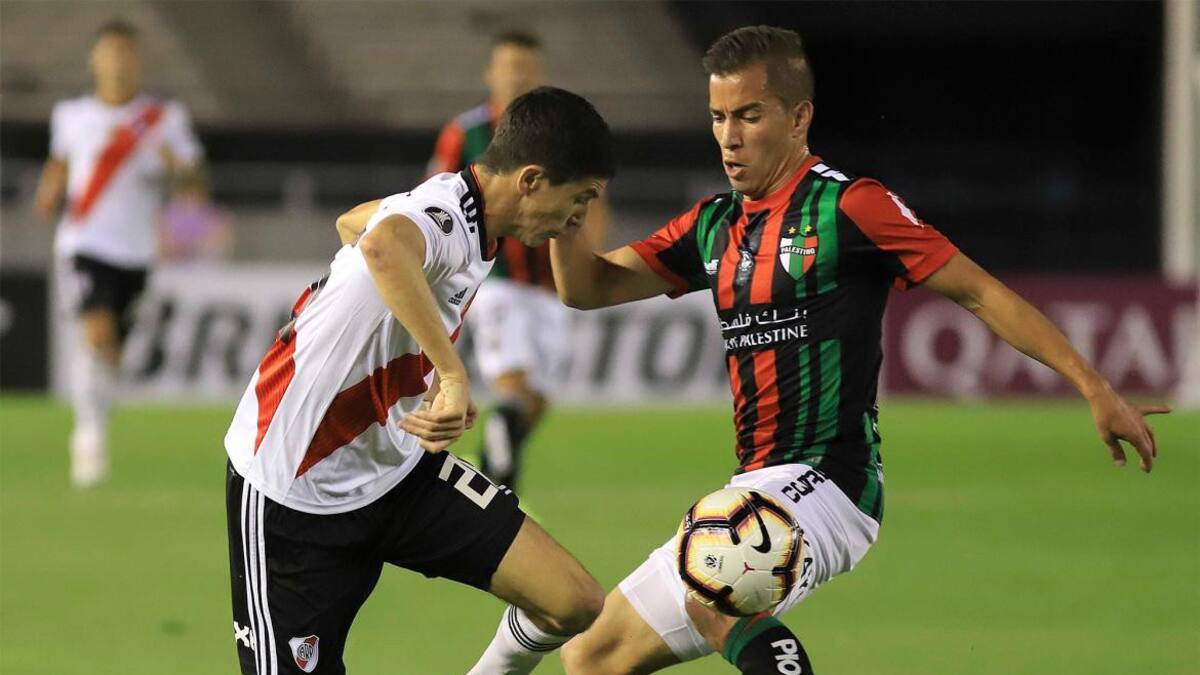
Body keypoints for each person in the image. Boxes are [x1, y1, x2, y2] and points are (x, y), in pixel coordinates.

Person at [531, 26, 1165, 675]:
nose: (729, 136)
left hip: (833, 482)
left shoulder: (852, 207)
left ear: (798, 117)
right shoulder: (715, 224)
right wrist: (563, 199)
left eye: (748, 115)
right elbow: (585, 287)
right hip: (756, 482)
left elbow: (979, 292)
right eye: (719, 117)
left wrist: (1094, 386)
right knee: (591, 655)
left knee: (714, 581)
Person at [225, 87, 612, 675]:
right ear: (531, 180)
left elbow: (352, 223)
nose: (579, 217)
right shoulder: (449, 215)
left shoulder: (468, 216)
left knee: (571, 600)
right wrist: (451, 374)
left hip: (397, 471)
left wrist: (410, 364)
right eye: (578, 197)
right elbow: (381, 244)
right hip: (294, 491)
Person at [34, 19, 203, 487]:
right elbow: (60, 165)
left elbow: (194, 183)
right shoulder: (72, 115)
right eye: (110, 52)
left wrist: (175, 166)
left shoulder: (164, 119)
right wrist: (48, 193)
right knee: (97, 332)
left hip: (137, 252)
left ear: (138, 60)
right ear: (94, 59)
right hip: (84, 243)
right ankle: (87, 436)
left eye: (127, 52)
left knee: (112, 354)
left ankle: (96, 421)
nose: (118, 61)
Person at [428, 30, 569, 491]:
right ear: (491, 74)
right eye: (510, 68)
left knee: (537, 400)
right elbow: (435, 195)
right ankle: (501, 494)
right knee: (513, 384)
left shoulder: (558, 135)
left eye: (526, 68)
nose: (518, 77)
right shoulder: (466, 133)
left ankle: (486, 471)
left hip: (548, 284)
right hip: (494, 279)